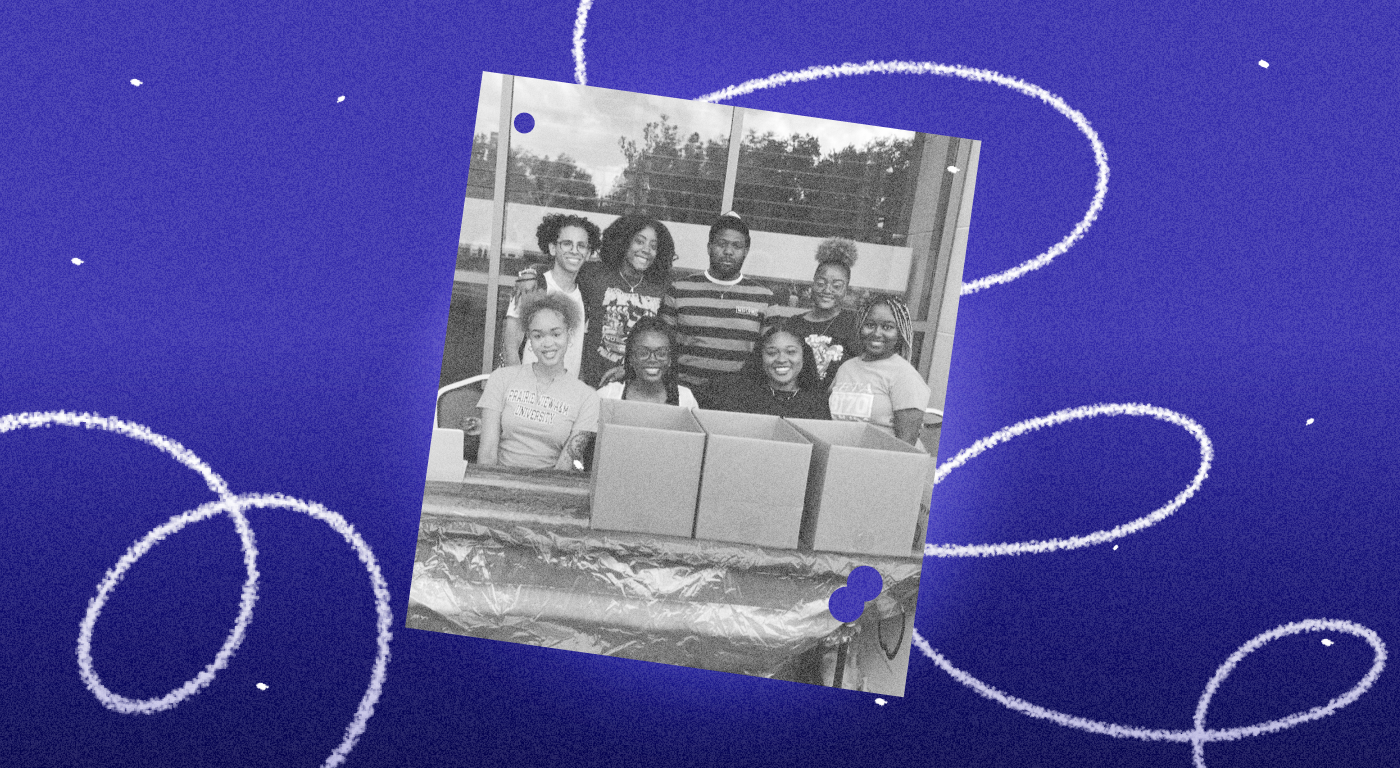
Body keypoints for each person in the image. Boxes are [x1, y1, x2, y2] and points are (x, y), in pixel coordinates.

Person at [478, 292, 599, 471]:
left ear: (569, 335)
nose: (547, 343)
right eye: (538, 336)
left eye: (556, 334)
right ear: (529, 339)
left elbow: (566, 465)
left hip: (550, 487)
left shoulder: (588, 398)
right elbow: (487, 453)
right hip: (500, 480)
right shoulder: (501, 379)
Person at [662, 213, 776, 390]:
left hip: (737, 398)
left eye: (737, 246)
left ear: (746, 251)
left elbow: (770, 354)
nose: (728, 252)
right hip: (684, 392)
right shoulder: (679, 289)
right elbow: (663, 345)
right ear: (709, 247)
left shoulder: (764, 298)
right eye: (721, 244)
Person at [575, 214, 676, 387]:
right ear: (623, 242)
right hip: (591, 382)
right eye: (639, 241)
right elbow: (557, 275)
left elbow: (665, 340)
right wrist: (529, 275)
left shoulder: (662, 286)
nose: (646, 250)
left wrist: (628, 369)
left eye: (653, 246)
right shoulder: (595, 275)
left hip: (637, 384)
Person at [500, 213, 601, 378]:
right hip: (528, 393)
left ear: (589, 253)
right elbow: (510, 348)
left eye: (581, 245)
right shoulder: (532, 287)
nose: (574, 251)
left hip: (564, 396)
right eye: (567, 244)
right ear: (553, 248)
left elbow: (576, 353)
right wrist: (520, 389)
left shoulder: (586, 296)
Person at [828, 296, 930, 445]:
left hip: (885, 462)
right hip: (846, 458)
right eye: (869, 325)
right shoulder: (846, 368)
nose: (876, 333)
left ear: (899, 332)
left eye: (887, 327)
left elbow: (906, 446)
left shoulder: (905, 375)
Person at [699, 321, 830, 420]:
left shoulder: (818, 404)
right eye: (772, 353)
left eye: (791, 352)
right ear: (760, 356)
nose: (781, 359)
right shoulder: (734, 394)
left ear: (804, 356)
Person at [784, 238, 862, 387]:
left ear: (846, 290)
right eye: (821, 283)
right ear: (812, 285)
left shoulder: (855, 323)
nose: (827, 290)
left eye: (836, 286)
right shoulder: (793, 324)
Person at [595, 316, 699, 408]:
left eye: (661, 353)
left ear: (670, 359)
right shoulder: (607, 396)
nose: (652, 359)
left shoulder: (685, 399)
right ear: (631, 357)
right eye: (643, 353)